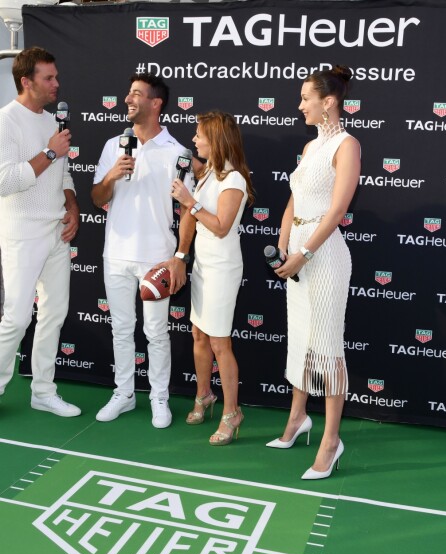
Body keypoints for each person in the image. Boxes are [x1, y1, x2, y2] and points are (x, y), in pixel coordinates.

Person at [265, 66, 361, 480]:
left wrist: (303, 252)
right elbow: (293, 202)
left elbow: (337, 210)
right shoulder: (309, 149)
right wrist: (284, 243)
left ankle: (331, 439)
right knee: (301, 341)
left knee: (326, 347)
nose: (300, 105)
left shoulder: (347, 145)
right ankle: (297, 418)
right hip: (300, 251)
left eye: (306, 98)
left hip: (325, 258)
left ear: (329, 102)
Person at [91, 73, 197, 429]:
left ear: (156, 103)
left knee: (156, 333)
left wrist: (180, 256)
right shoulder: (113, 146)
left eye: (136, 94)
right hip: (116, 254)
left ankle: (159, 397)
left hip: (156, 258)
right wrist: (111, 177)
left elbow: (188, 212)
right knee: (121, 329)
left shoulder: (177, 152)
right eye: (128, 92)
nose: (127, 98)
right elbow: (97, 198)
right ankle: (124, 393)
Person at [0, 46, 81, 416]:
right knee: (17, 317)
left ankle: (43, 390)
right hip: (21, 232)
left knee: (54, 312)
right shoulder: (6, 121)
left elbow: (63, 173)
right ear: (26, 81)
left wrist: (72, 204)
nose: (56, 84)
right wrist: (49, 153)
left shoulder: (53, 122)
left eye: (56, 76)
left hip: (55, 232)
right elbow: (4, 181)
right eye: (48, 78)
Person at [170, 110, 254, 446]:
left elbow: (220, 227)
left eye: (199, 134)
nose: (194, 139)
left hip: (222, 267)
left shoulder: (234, 180)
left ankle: (232, 412)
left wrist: (189, 202)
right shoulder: (208, 175)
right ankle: (204, 395)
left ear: (215, 139)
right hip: (203, 266)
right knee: (199, 335)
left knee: (220, 343)